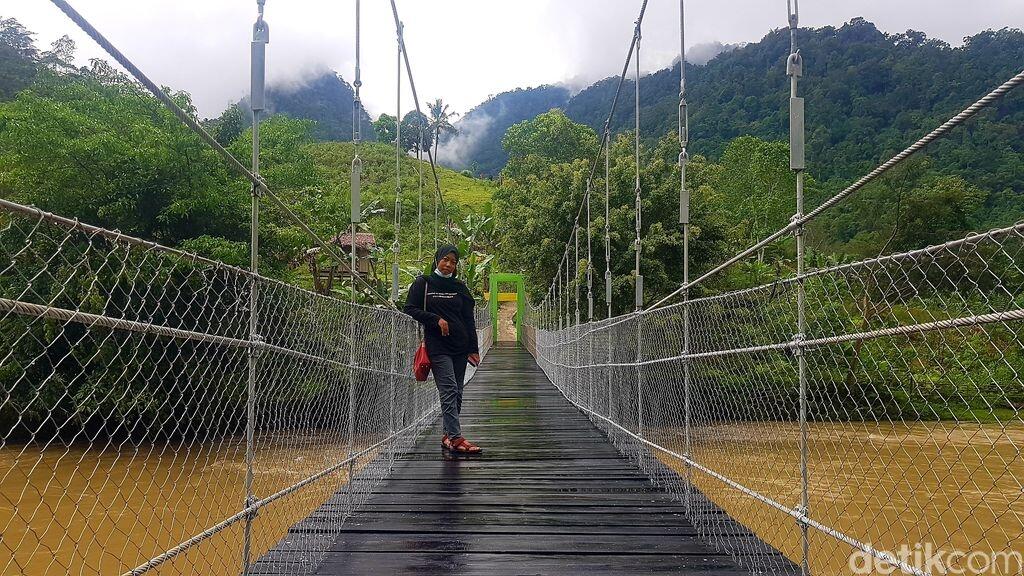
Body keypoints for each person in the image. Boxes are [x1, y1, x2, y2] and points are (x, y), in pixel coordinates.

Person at [403, 245, 483, 454]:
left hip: (461, 346)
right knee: (448, 390)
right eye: (445, 259)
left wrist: (473, 348)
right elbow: (410, 308)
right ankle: (456, 438)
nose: (448, 265)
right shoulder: (424, 283)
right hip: (438, 347)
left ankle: (448, 435)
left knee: (457, 392)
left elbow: (468, 319)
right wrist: (436, 319)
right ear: (437, 259)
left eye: (453, 262)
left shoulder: (460, 287)